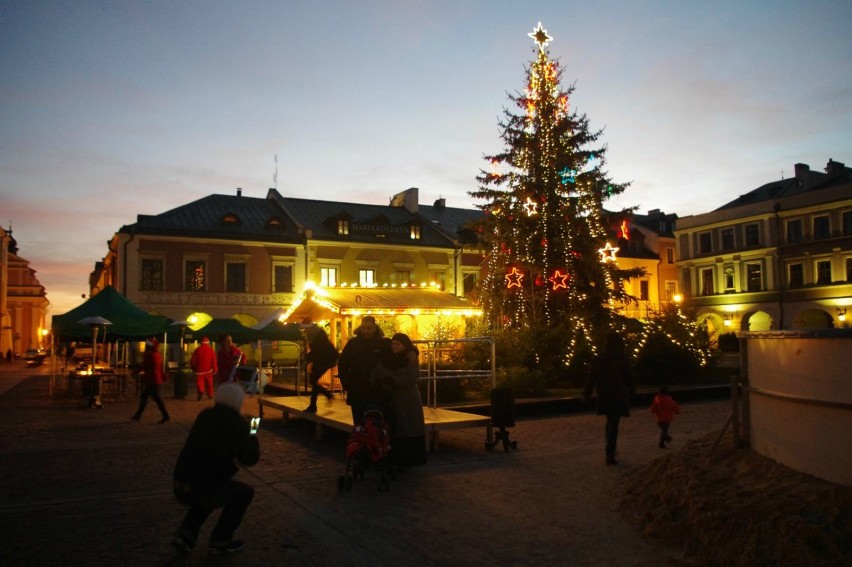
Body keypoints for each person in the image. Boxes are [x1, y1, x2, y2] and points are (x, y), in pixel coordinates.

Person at [171, 383, 260, 555]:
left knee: (212, 490)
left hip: (182, 482)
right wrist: (252, 431)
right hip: (204, 485)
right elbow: (250, 458)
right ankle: (221, 539)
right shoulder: (236, 423)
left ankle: (186, 534)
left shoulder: (205, 416)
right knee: (241, 493)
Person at [371, 333, 426, 468]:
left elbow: (413, 377)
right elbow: (376, 375)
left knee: (407, 427)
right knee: (393, 428)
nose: (394, 347)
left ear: (404, 346)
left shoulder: (410, 359)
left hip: (407, 399)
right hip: (389, 398)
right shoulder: (385, 359)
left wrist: (394, 380)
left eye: (398, 344)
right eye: (393, 344)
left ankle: (407, 459)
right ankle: (392, 457)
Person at [583, 331, 635, 466]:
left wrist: (587, 393)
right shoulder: (622, 358)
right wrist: (632, 390)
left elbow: (591, 377)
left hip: (605, 394)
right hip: (617, 394)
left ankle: (610, 449)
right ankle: (610, 452)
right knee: (614, 423)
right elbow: (628, 376)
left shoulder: (599, 358)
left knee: (611, 421)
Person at [337, 315, 386, 422]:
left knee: (376, 422)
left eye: (369, 328)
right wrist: (347, 384)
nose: (366, 331)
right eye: (363, 328)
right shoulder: (353, 343)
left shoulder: (382, 343)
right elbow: (343, 364)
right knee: (359, 422)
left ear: (375, 328)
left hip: (377, 391)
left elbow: (401, 346)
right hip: (357, 390)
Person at [131, 337, 170, 424]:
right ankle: (138, 415)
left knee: (155, 399)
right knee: (147, 398)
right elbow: (160, 368)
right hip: (156, 379)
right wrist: (163, 377)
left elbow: (143, 366)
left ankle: (165, 415)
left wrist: (134, 372)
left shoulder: (149, 355)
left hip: (152, 380)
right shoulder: (158, 354)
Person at [302, 323, 339, 413]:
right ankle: (316, 403)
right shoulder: (315, 334)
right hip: (322, 359)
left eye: (304, 329)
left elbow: (319, 350)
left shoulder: (316, 336)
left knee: (313, 380)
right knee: (313, 381)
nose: (304, 331)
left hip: (325, 359)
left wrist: (307, 358)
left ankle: (319, 401)